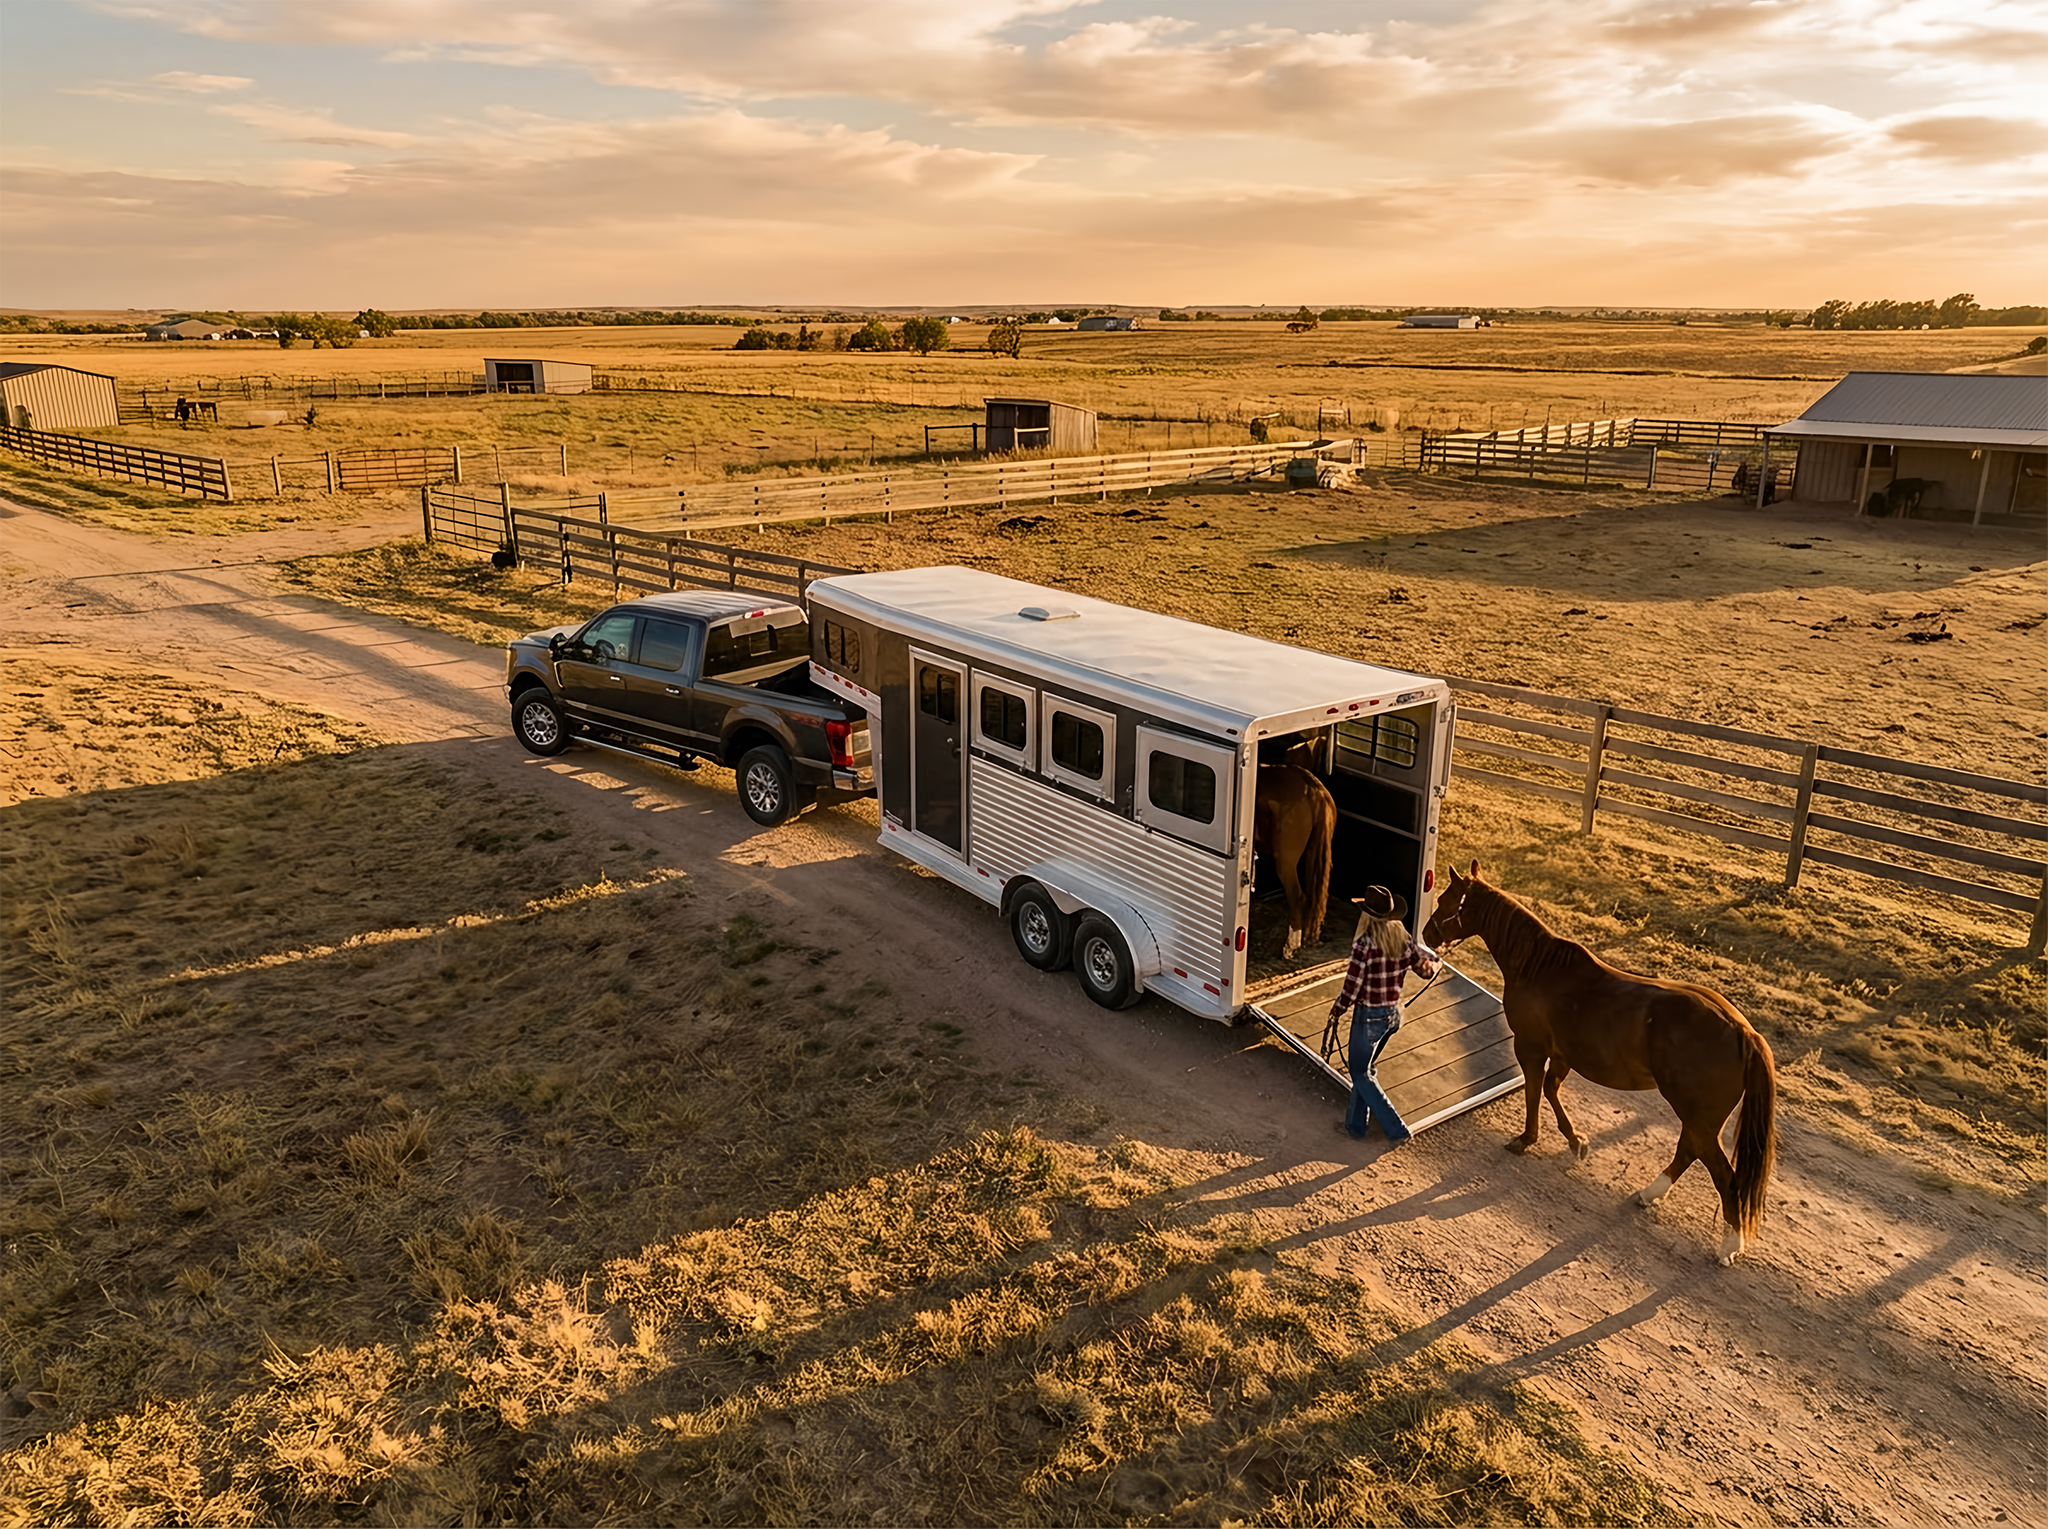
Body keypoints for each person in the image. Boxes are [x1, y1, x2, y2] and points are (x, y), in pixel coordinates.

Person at [1327, 884, 1440, 1143]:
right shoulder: (1402, 939)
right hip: (1392, 1016)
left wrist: (1339, 1007)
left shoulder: (1363, 945)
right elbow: (1425, 970)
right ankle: (1355, 1126)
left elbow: (1352, 987)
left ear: (1366, 915)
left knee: (1360, 1073)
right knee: (1364, 1069)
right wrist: (1435, 961)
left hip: (1368, 1017)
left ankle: (1396, 1128)